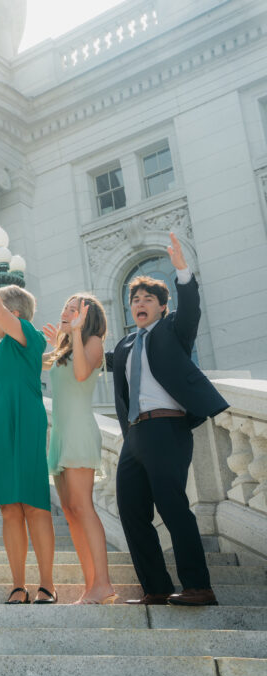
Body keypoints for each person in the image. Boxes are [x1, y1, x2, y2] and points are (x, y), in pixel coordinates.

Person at [108, 233, 228, 607]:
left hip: (167, 428)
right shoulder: (126, 345)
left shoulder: (173, 330)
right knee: (130, 511)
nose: (139, 304)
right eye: (134, 300)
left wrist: (181, 270)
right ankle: (156, 588)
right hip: (135, 434)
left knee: (172, 506)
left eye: (147, 299)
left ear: (161, 307)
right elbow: (100, 368)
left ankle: (198, 586)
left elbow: (190, 307)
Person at [0, 251, 56, 605]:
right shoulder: (5, 346)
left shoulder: (30, 336)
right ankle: (18, 584)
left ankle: (47, 584)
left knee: (33, 504)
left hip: (24, 421)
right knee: (9, 508)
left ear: (14, 314)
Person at [42, 294, 116, 605]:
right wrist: (57, 340)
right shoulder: (64, 348)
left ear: (88, 317)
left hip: (78, 432)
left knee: (83, 507)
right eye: (66, 307)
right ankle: (91, 586)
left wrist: (73, 332)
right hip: (59, 433)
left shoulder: (94, 343)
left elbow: (82, 374)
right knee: (71, 512)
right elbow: (43, 365)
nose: (66, 311)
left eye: (74, 309)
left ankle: (104, 584)